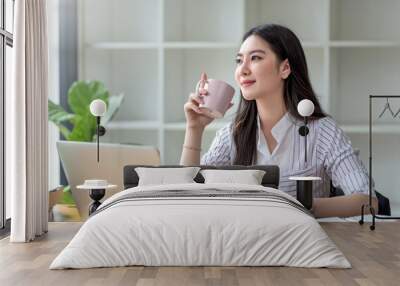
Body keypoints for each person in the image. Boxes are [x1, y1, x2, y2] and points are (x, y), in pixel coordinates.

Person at [180, 24, 378, 218]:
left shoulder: (322, 132)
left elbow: (368, 201)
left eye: (255, 58)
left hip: (303, 244)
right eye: (239, 61)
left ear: (285, 68)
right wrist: (194, 129)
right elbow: (187, 195)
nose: (243, 70)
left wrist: (297, 205)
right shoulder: (232, 135)